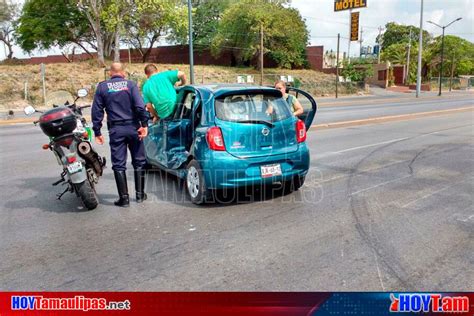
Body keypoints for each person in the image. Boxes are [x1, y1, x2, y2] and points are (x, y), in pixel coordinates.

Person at [92, 63, 149, 207]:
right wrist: (144, 125)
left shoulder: (102, 87)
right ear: (123, 72)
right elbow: (139, 106)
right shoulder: (130, 85)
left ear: (110, 73)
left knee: (118, 164)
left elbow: (97, 110)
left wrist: (97, 131)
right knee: (139, 161)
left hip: (116, 130)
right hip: (133, 127)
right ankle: (140, 195)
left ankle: (124, 199)